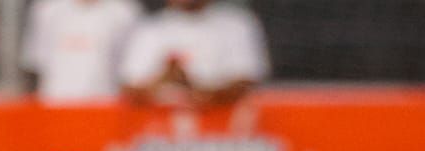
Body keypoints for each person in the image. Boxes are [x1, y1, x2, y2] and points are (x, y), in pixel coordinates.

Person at [120, 0, 270, 108]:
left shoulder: (237, 24)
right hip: (157, 137)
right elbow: (131, 87)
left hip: (229, 138)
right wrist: (167, 77)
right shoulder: (149, 29)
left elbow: (246, 79)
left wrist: (203, 93)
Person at [22, 0, 143, 103]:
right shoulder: (46, 10)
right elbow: (36, 66)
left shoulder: (125, 12)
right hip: (53, 107)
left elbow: (131, 72)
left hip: (105, 108)